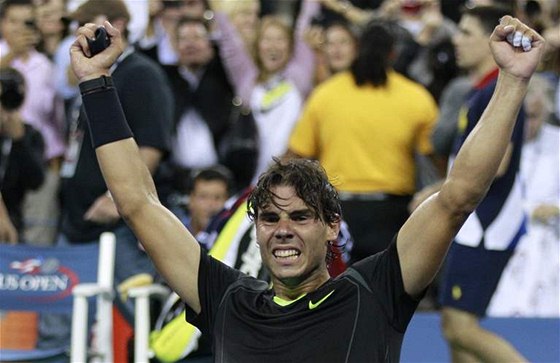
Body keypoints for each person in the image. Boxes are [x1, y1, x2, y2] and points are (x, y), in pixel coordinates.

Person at [69, 15, 544, 361]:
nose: (282, 230)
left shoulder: (374, 294)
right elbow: (137, 202)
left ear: (332, 227)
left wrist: (512, 82)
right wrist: (96, 85)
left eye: (300, 217)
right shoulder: (226, 299)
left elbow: (457, 196)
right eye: (271, 218)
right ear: (255, 229)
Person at [287, 19, 439, 262]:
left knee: (334, 293)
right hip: (393, 214)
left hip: (335, 211)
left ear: (356, 49)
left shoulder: (326, 94)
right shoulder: (417, 98)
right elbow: (436, 157)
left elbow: (294, 155)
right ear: (393, 54)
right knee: (385, 295)